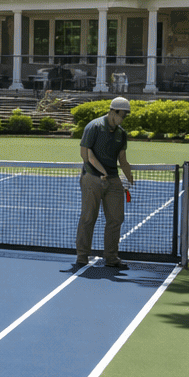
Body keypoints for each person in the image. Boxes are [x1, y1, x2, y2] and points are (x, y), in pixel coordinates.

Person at [72, 97, 136, 271]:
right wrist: (102, 173)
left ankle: (111, 257)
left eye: (125, 116)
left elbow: (122, 159)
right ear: (113, 111)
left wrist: (129, 176)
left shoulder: (121, 133)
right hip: (92, 178)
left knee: (116, 219)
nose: (123, 119)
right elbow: (85, 155)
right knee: (88, 217)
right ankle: (82, 256)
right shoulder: (93, 127)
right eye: (122, 115)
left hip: (113, 180)